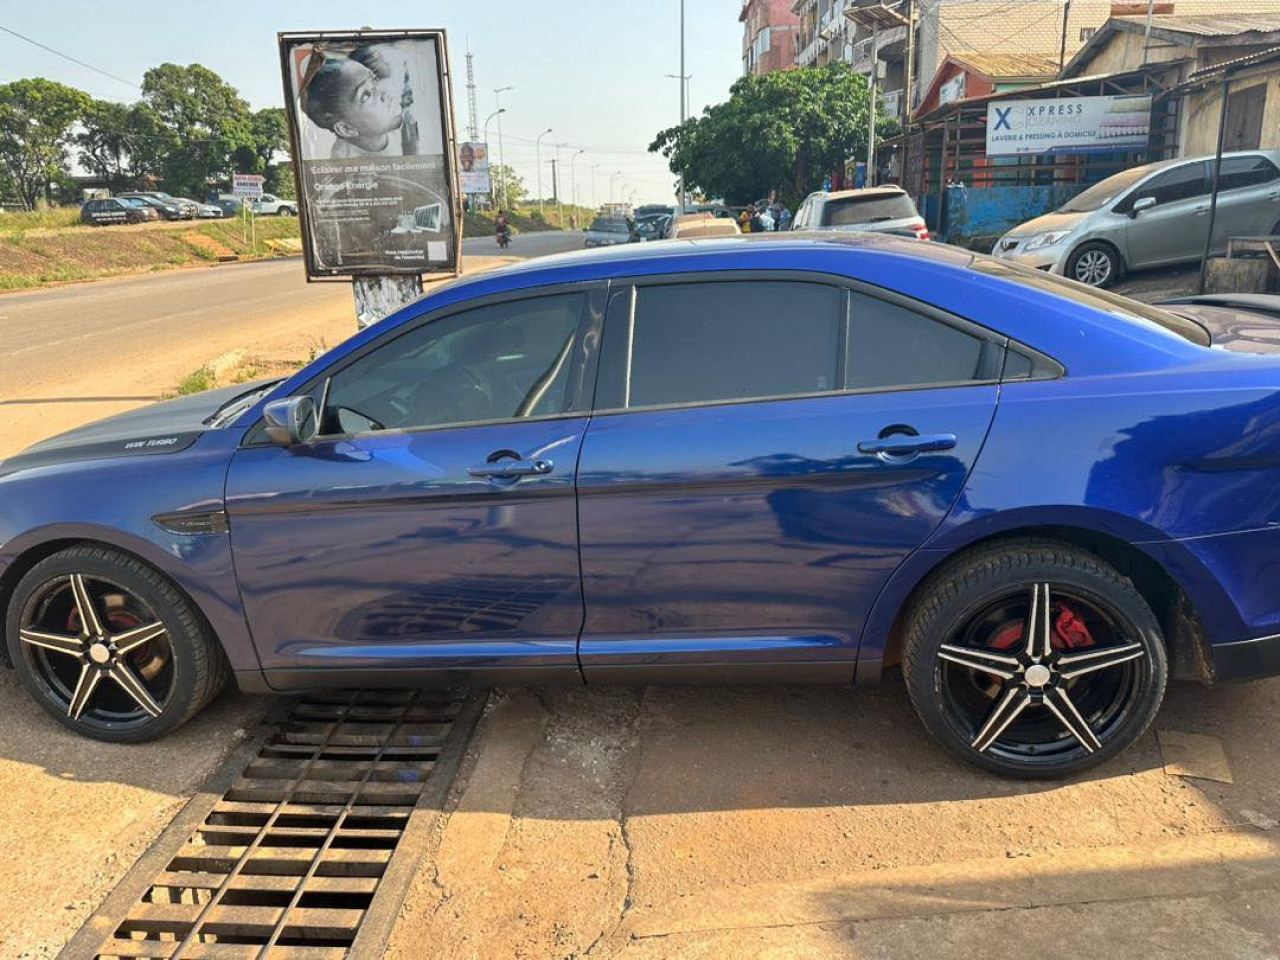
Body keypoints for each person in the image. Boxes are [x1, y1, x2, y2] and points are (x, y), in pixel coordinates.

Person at [301, 46, 409, 159]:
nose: (383, 92)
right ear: (346, 128)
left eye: (374, 80)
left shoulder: (406, 123)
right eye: (366, 96)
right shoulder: (347, 164)